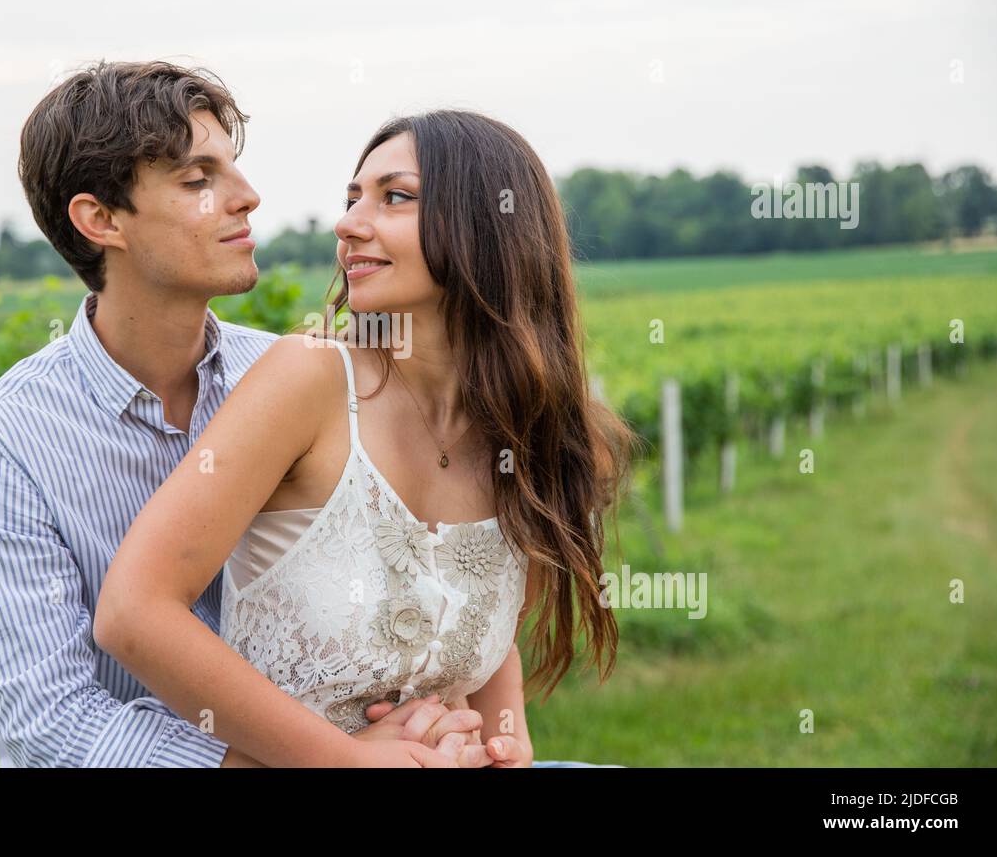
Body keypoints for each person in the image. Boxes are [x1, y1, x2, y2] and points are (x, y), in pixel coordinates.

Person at [0, 60, 498, 767]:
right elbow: (52, 729)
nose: (248, 198)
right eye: (199, 180)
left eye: (233, 168)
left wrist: (441, 723)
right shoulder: (1, 444)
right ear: (101, 219)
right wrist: (327, 760)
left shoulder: (305, 380)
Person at [93, 107, 634, 766]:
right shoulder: (309, 378)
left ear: (490, 227)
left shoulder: (531, 429)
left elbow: (486, 642)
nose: (348, 224)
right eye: (351, 199)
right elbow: (133, 611)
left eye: (394, 197)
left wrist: (502, 747)